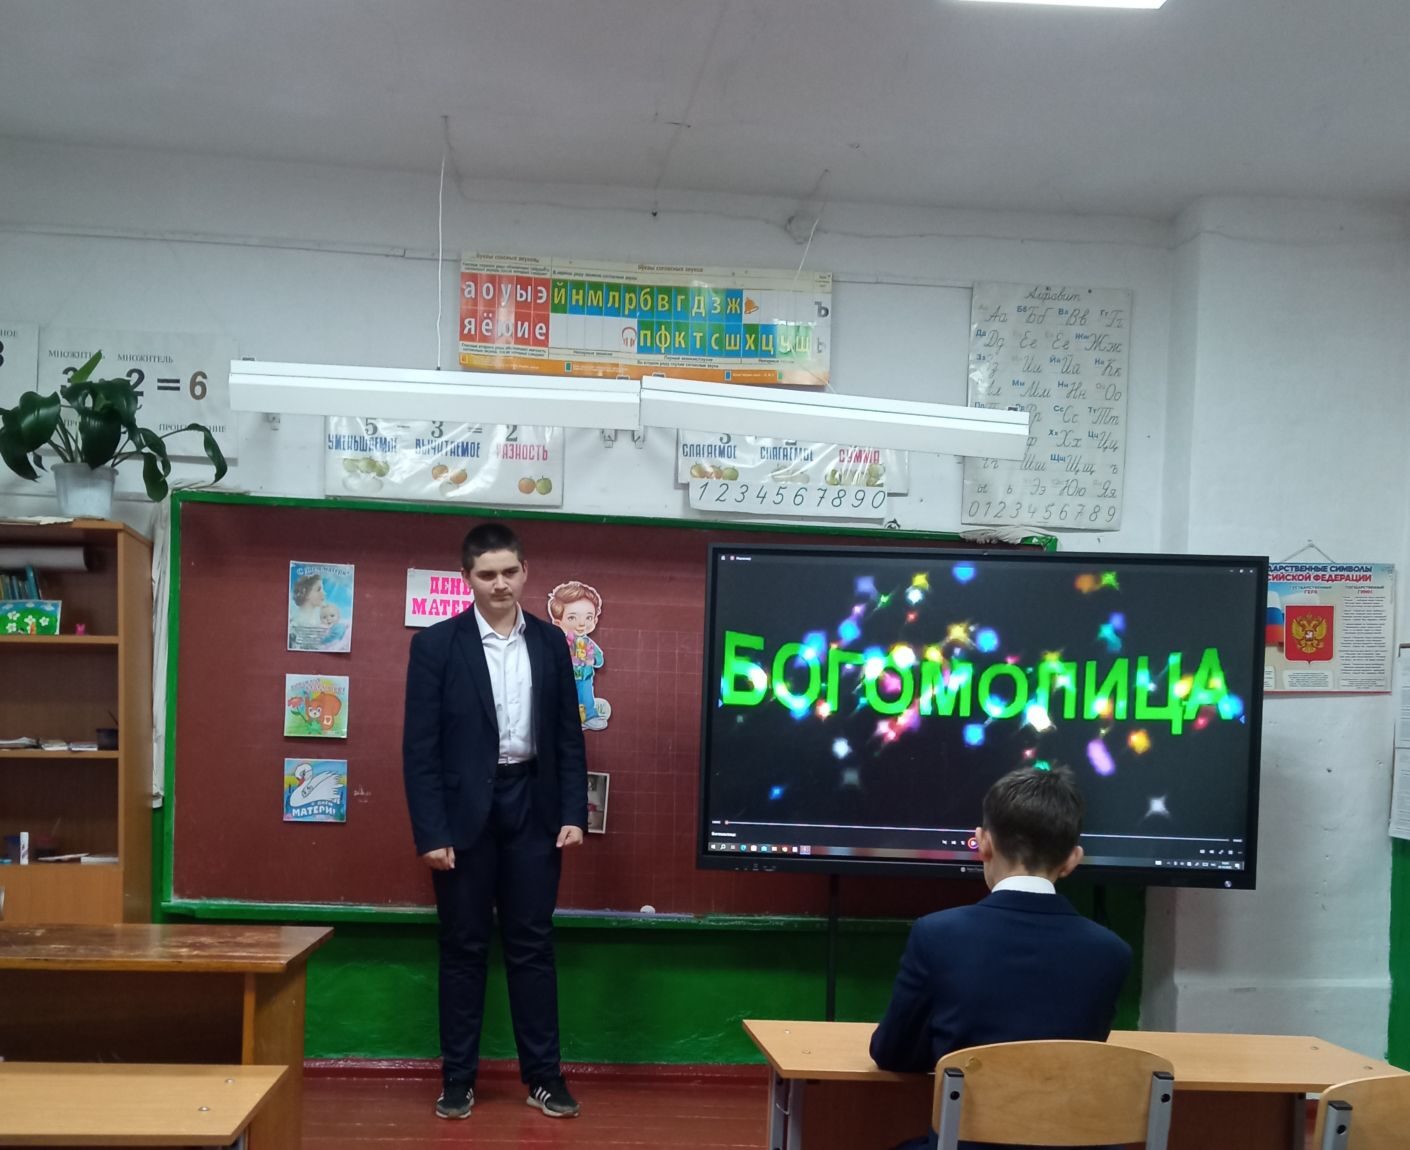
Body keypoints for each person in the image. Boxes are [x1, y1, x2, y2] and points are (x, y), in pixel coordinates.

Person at [402, 522, 588, 1121]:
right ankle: (458, 1081)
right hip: (463, 818)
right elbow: (419, 750)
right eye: (487, 574)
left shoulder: (553, 644)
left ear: (525, 571)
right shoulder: (436, 646)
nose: (500, 583)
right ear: (468, 578)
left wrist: (573, 812)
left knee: (533, 944)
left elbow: (568, 735)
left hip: (534, 806)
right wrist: (431, 832)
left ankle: (544, 1078)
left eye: (510, 571)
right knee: (463, 946)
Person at [870, 765, 1132, 1150]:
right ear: (1072, 859)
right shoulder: (1112, 953)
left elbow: (892, 1053)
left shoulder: (937, 934)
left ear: (983, 843)